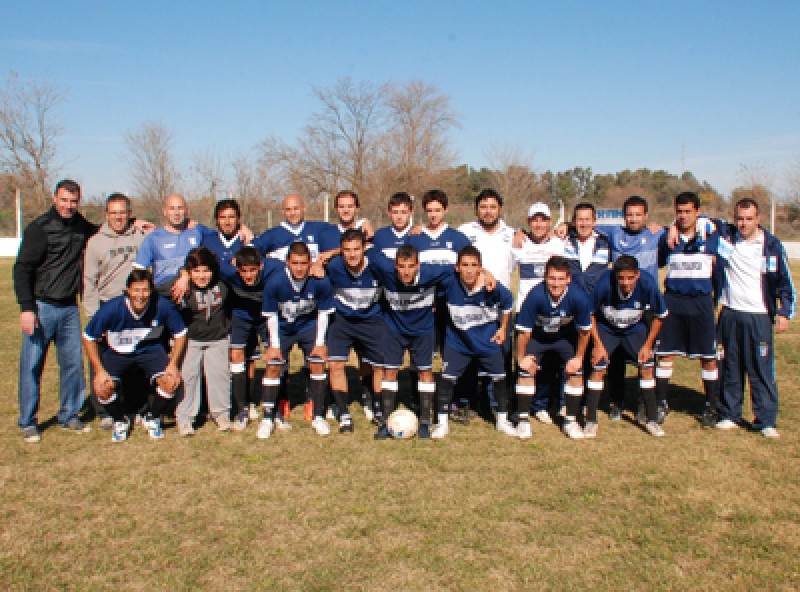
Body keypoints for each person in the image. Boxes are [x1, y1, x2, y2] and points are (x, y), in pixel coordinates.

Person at [14, 179, 97, 442]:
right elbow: (22, 269)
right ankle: (28, 421)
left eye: (73, 201)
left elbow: (102, 230)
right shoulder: (39, 228)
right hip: (42, 307)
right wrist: (27, 308)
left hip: (69, 308)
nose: (68, 206)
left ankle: (69, 415)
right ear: (54, 198)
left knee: (73, 365)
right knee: (32, 366)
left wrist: (134, 222)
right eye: (64, 200)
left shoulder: (80, 226)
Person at [713, 198, 796, 438]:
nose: (744, 224)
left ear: (758, 219)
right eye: (740, 218)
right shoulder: (727, 237)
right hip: (730, 313)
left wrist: (784, 312)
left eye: (749, 219)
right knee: (730, 366)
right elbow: (697, 221)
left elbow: (786, 284)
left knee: (761, 369)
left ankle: (765, 420)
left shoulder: (771, 245)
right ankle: (730, 414)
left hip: (759, 317)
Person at [370, 245, 463, 439]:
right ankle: (386, 421)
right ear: (395, 266)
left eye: (411, 266)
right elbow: (369, 251)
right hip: (394, 329)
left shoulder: (432, 272)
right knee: (390, 372)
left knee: (425, 372)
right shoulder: (385, 268)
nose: (406, 271)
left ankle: (425, 421)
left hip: (423, 331)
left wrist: (486, 274)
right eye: (402, 266)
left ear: (418, 265)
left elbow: (459, 267)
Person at [83, 268, 187, 441]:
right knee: (102, 387)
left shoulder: (162, 305)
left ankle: (152, 417)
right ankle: (120, 420)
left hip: (150, 350)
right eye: (136, 290)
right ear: (128, 291)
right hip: (118, 352)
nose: (141, 295)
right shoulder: (111, 308)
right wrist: (99, 370)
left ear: (151, 291)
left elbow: (181, 334)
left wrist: (173, 364)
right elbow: (88, 337)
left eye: (145, 290)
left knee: (171, 381)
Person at [82, 192, 149, 429]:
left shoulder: (141, 237)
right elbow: (89, 281)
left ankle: (135, 407)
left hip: (135, 306)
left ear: (130, 214)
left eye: (123, 213)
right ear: (106, 215)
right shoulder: (95, 242)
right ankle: (104, 410)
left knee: (134, 358)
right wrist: (94, 316)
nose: (118, 218)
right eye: (114, 213)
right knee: (103, 361)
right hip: (107, 306)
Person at [434, 246, 515, 439]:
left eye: (474, 265)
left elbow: (508, 303)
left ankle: (502, 421)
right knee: (446, 380)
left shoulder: (492, 287)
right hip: (458, 342)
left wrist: (503, 328)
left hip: (487, 341)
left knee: (499, 379)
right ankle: (442, 424)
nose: (469, 270)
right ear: (457, 267)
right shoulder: (449, 282)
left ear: (480, 267)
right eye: (465, 265)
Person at [655, 192, 720, 427]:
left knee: (708, 357)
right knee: (665, 354)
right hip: (674, 300)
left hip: (701, 301)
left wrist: (705, 222)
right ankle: (660, 402)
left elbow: (731, 226)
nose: (683, 216)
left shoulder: (711, 233)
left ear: (697, 212)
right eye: (679, 212)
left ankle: (711, 405)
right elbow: (659, 259)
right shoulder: (668, 238)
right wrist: (669, 228)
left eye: (688, 211)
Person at [260, 242, 335, 438]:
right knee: (273, 365)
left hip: (307, 326)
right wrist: (274, 346)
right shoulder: (275, 282)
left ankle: (318, 416)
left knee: (317, 363)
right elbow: (271, 315)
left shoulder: (320, 281)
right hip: (282, 328)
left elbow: (323, 313)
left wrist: (320, 343)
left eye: (303, 263)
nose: (299, 268)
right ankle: (267, 419)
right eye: (295, 263)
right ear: (287, 262)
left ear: (310, 262)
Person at [587, 256, 668, 437]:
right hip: (607, 329)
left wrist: (647, 345)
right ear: (615, 275)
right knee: (598, 367)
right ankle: (591, 421)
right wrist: (597, 344)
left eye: (630, 278)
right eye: (621, 278)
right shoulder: (604, 283)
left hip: (634, 329)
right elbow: (589, 313)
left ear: (637, 275)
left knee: (647, 367)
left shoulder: (647, 283)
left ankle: (652, 420)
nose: (625, 283)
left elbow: (661, 315)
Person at [515, 256, 593, 440]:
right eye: (551, 278)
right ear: (545, 277)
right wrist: (520, 359)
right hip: (538, 338)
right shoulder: (535, 295)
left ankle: (570, 421)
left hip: (564, 338)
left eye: (560, 279)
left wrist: (578, 358)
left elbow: (585, 332)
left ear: (569, 279)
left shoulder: (578, 297)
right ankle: (523, 420)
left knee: (576, 371)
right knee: (526, 369)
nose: (556, 284)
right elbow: (524, 333)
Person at [323, 229, 388, 426]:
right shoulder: (334, 266)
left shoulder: (378, 264)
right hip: (342, 321)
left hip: (371, 319)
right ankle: (343, 412)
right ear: (341, 250)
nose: (352, 255)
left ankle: (377, 406)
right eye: (347, 250)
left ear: (364, 248)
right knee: (335, 364)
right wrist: (317, 265)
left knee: (379, 365)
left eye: (356, 249)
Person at [512, 202, 566, 425]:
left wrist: (568, 226)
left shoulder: (560, 243)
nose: (539, 224)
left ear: (550, 222)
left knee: (550, 362)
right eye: (535, 220)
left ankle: (542, 403)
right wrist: (517, 232)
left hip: (552, 312)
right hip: (526, 313)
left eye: (543, 220)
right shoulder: (519, 243)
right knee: (524, 360)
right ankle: (522, 405)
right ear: (528, 222)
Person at [171, 247, 232, 435]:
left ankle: (221, 414)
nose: (202, 276)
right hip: (191, 340)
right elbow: (159, 288)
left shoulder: (222, 283)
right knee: (188, 378)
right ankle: (185, 418)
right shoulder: (182, 285)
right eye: (196, 271)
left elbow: (232, 270)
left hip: (218, 338)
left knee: (220, 376)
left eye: (206, 270)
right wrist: (183, 276)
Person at [223, 246, 285, 430]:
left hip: (266, 315)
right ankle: (242, 409)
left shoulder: (275, 268)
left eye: (252, 270)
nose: (248, 276)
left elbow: (297, 267)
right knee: (236, 355)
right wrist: (184, 275)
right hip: (241, 314)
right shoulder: (227, 270)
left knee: (275, 357)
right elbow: (208, 264)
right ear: (236, 268)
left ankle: (274, 409)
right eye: (244, 271)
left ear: (261, 266)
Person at [252, 193, 334, 262]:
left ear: (304, 208)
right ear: (283, 211)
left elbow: (341, 242)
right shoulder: (272, 235)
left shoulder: (319, 228)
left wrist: (330, 254)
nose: (292, 213)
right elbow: (249, 252)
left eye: (296, 208)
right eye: (288, 209)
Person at [372, 191, 414, 259]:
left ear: (411, 212)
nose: (399, 217)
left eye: (403, 212)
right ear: (388, 213)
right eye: (395, 212)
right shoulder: (379, 235)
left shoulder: (418, 234)